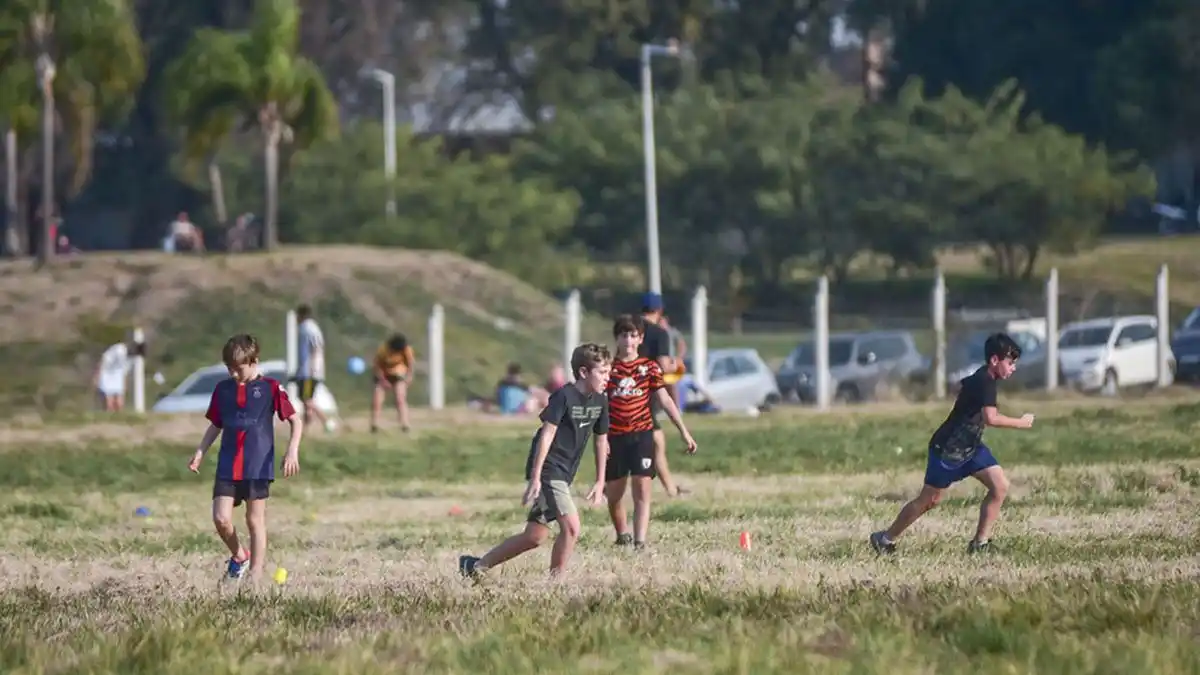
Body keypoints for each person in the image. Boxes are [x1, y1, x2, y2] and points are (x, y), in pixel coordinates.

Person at [870, 333, 1033, 555]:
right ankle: (885, 539)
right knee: (929, 500)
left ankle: (980, 544)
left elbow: (964, 390)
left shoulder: (985, 379)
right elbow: (991, 418)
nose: (1013, 368)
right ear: (995, 360)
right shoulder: (985, 381)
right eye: (1010, 362)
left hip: (971, 447)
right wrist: (1021, 423)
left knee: (1000, 486)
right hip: (948, 450)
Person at [458, 343, 612, 579]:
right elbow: (547, 434)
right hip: (550, 470)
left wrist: (601, 481)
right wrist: (537, 477)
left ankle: (475, 566)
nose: (607, 377)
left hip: (565, 472)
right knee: (571, 528)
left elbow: (601, 442)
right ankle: (555, 584)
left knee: (535, 536)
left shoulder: (600, 401)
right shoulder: (564, 396)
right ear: (583, 372)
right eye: (602, 372)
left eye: (608, 372)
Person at [187, 334, 303, 582]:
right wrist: (200, 452)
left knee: (254, 520)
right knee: (221, 518)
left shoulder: (270, 388)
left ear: (254, 361)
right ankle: (239, 556)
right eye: (230, 369)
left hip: (257, 464)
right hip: (228, 464)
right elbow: (215, 425)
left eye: (238, 369)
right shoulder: (223, 390)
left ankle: (255, 575)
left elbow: (296, 420)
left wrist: (292, 450)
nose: (234, 375)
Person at [604, 315, 698, 549]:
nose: (628, 340)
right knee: (614, 494)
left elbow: (665, 400)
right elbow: (597, 404)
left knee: (642, 487)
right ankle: (622, 533)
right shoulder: (608, 370)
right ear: (617, 338)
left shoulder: (648, 368)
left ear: (640, 339)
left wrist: (683, 431)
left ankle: (640, 541)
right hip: (615, 437)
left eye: (633, 335)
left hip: (641, 433)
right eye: (624, 335)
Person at [638, 292, 687, 497]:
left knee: (653, 441)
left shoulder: (631, 329)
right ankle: (671, 490)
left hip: (628, 389)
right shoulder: (660, 333)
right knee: (656, 442)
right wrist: (677, 365)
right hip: (648, 392)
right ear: (659, 311)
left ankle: (671, 489)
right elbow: (664, 366)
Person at [293, 304, 335, 433]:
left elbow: (316, 348)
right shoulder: (308, 328)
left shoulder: (308, 329)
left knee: (306, 399)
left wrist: (312, 368)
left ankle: (327, 422)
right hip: (307, 370)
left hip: (309, 372)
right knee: (305, 400)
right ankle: (306, 428)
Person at [371, 333, 415, 433]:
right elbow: (377, 366)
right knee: (377, 400)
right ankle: (375, 424)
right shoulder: (383, 350)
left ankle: (405, 424)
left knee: (400, 399)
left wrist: (409, 377)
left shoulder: (406, 349)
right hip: (383, 373)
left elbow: (410, 364)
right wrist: (383, 380)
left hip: (399, 374)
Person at [93, 340, 131, 412]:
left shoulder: (130, 357)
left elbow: (125, 370)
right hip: (106, 374)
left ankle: (119, 419)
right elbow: (102, 362)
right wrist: (97, 377)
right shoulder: (118, 350)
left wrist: (125, 383)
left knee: (119, 403)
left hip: (118, 375)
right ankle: (108, 418)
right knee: (109, 403)